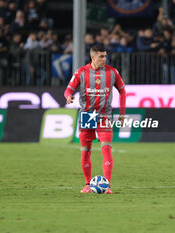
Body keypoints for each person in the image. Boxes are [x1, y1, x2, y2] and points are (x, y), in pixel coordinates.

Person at [64, 45, 126, 194]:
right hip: (87, 115)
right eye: (101, 56)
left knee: (106, 148)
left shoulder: (112, 72)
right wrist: (68, 97)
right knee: (85, 151)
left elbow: (123, 91)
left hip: (104, 114)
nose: (104, 59)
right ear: (93, 57)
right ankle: (87, 184)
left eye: (105, 56)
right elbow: (68, 90)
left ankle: (107, 185)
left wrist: (122, 113)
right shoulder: (81, 72)